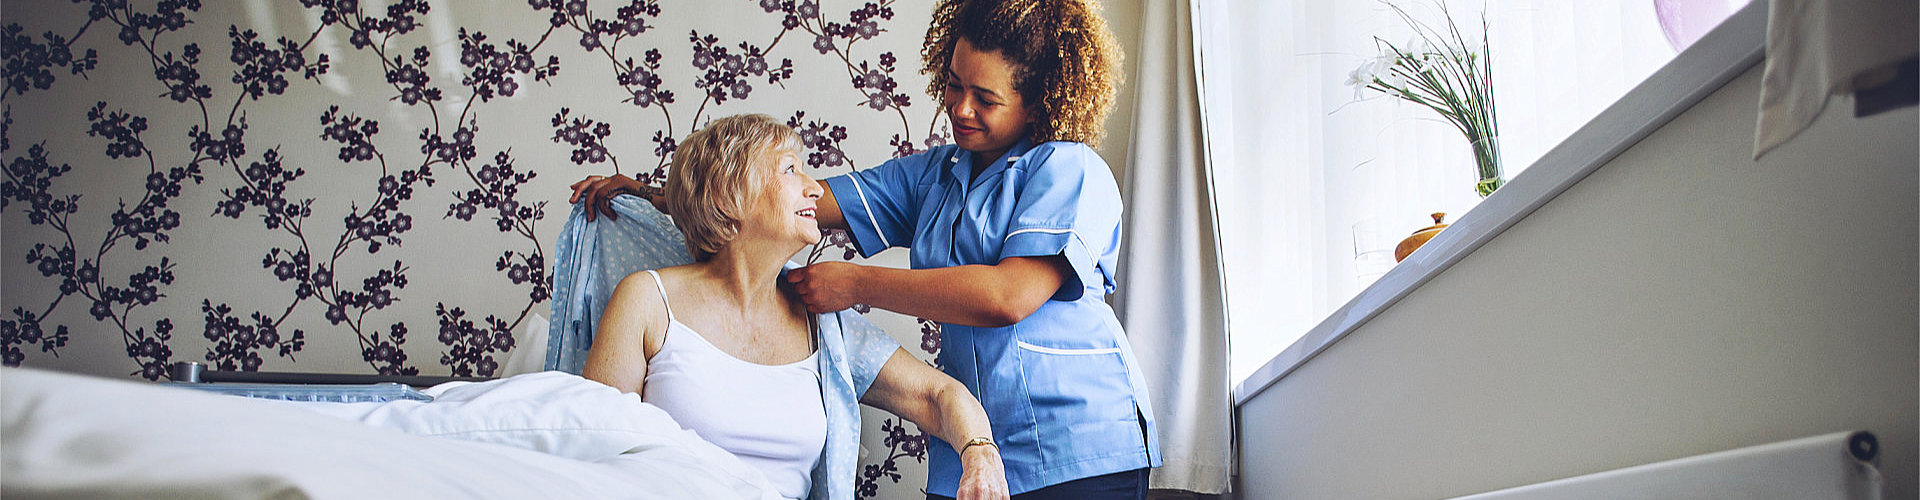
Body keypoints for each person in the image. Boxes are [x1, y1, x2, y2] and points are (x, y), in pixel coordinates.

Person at [570, 1, 1157, 499]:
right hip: (970, 452)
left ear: (1038, 99)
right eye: (953, 85)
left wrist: (855, 284)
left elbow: (1008, 296)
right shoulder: (934, 176)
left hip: (1079, 445)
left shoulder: (1068, 169)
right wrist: (657, 194)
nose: (959, 108)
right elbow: (775, 203)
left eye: (985, 97)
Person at [574, 114, 1010, 500]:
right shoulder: (647, 300)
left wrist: (980, 453)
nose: (815, 188)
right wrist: (650, 194)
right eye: (790, 170)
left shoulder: (823, 324)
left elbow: (938, 395)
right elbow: (592, 449)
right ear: (730, 195)